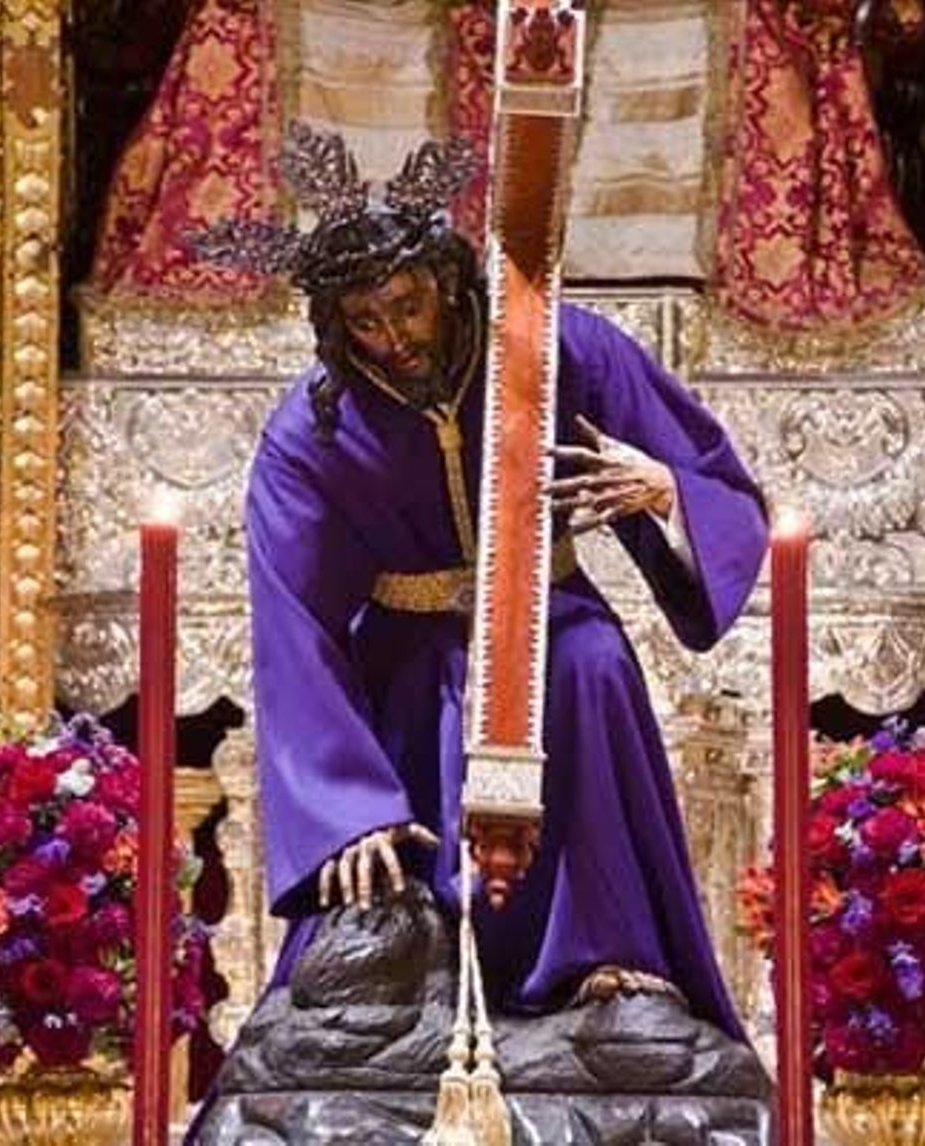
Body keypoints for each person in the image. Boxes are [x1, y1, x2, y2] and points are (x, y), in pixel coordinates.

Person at [196, 126, 768, 1037]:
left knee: (591, 669)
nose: (394, 338)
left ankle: (609, 959)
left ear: (449, 284)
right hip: (407, 655)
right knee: (382, 879)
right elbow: (293, 622)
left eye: (409, 306)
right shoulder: (312, 429)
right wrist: (348, 813)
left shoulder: (558, 352)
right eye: (367, 321)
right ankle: (413, 983)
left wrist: (664, 493)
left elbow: (717, 484)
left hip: (553, 618)